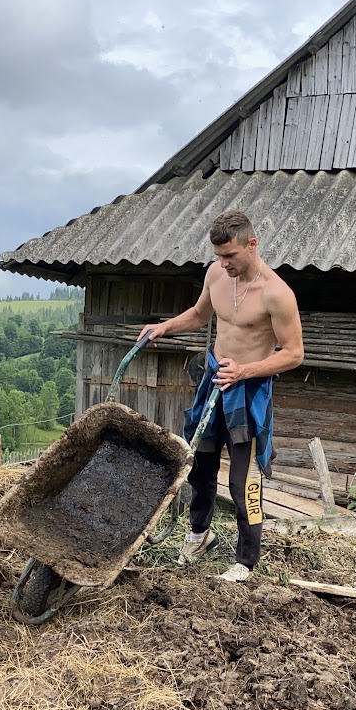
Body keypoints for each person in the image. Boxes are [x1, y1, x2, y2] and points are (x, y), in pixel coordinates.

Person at [138, 210, 304, 582]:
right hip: (214, 381)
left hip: (247, 390)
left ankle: (246, 561)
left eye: (230, 255)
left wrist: (244, 370)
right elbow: (199, 315)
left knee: (242, 480)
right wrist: (163, 327)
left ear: (251, 244)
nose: (223, 263)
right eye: (218, 255)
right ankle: (200, 536)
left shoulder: (277, 293)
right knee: (200, 465)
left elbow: (294, 353)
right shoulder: (216, 274)